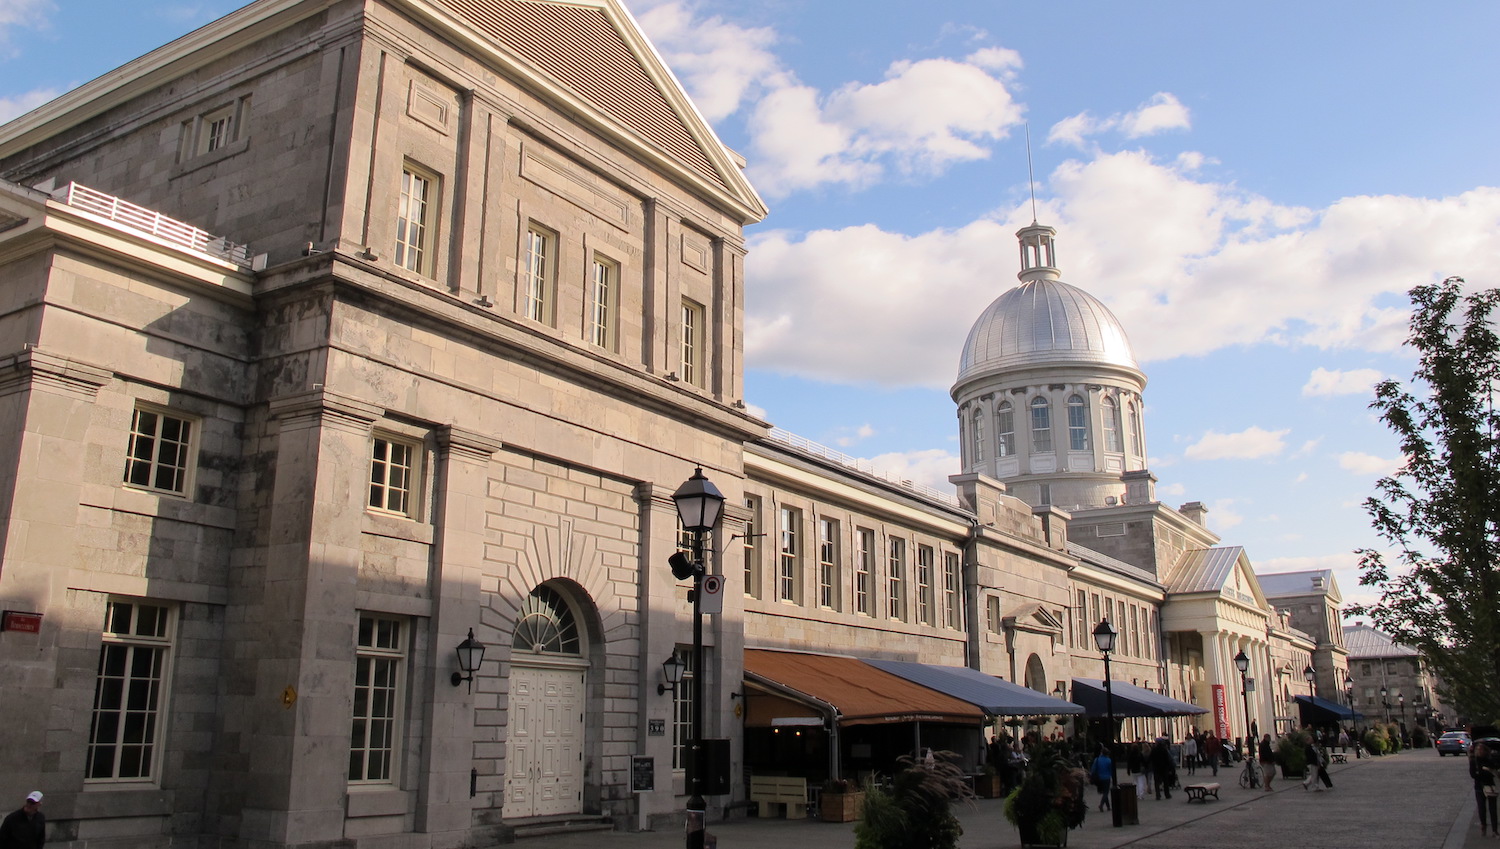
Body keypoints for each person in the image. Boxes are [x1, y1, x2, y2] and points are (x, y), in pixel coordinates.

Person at [1472, 741, 1499, 838]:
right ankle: (1483, 825)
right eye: (1478, 750)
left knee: (1493, 809)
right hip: (1479, 787)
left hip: (1489, 785)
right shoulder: (1474, 761)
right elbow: (1473, 774)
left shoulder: (1489, 760)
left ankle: (1494, 830)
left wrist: (1486, 772)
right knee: (1482, 808)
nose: (1479, 751)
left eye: (1481, 750)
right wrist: (1483, 774)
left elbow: (1495, 770)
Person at [1089, 745, 1114, 812]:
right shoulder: (1109, 760)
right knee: (1106, 792)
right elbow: (1111, 770)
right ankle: (1101, 805)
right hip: (1107, 777)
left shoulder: (1097, 760)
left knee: (1104, 792)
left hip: (1099, 778)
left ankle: (1108, 806)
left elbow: (1093, 769)